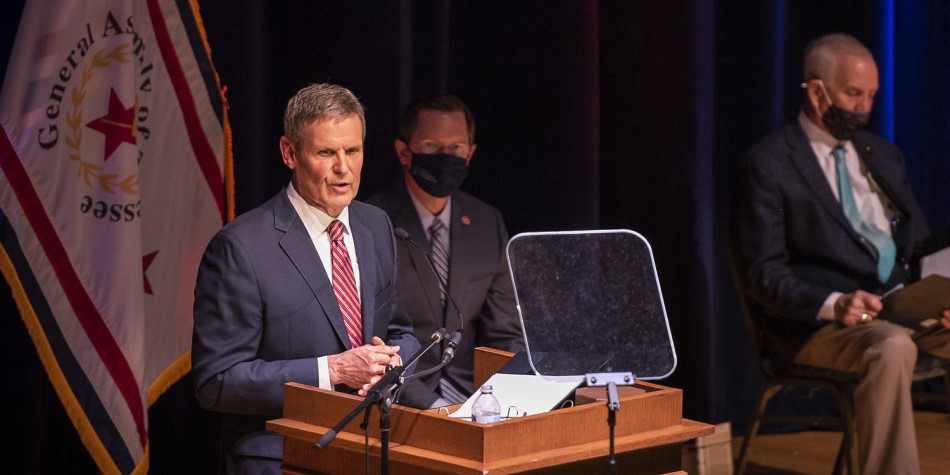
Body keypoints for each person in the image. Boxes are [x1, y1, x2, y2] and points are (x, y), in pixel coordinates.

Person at [737, 33, 950, 475]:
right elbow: (764, 273)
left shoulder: (883, 156)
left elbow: (920, 244)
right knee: (889, 347)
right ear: (817, 92)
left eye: (871, 95)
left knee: (897, 337)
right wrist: (837, 305)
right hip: (820, 329)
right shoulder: (772, 162)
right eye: (853, 94)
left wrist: (941, 296)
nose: (864, 107)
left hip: (902, 312)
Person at [191, 83, 420, 473]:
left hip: (370, 454)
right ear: (289, 153)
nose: (343, 168)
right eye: (326, 152)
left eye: (353, 150)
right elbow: (217, 380)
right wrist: (330, 371)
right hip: (283, 458)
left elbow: (402, 332)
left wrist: (389, 366)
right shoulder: (241, 248)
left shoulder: (375, 225)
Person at [365, 94, 525, 409]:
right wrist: (434, 408)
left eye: (456, 148)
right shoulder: (372, 223)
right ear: (404, 151)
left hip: (477, 398)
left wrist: (511, 399)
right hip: (400, 401)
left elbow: (505, 331)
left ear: (471, 153)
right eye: (431, 147)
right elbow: (373, 342)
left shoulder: (486, 221)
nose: (445, 156)